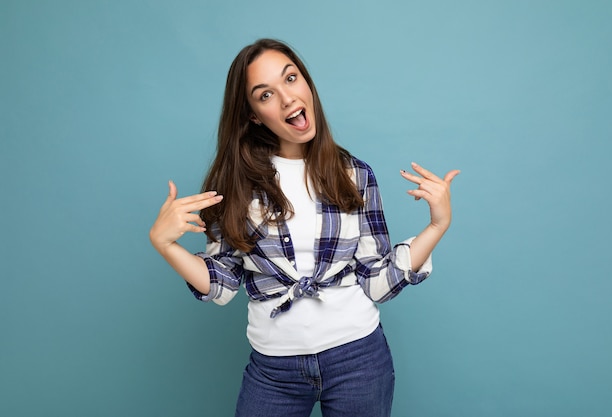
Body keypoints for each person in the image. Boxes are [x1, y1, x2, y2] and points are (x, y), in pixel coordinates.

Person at [149, 38, 459, 417]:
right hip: (274, 371)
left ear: (307, 84)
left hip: (358, 358)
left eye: (291, 78)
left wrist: (437, 225)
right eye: (265, 95)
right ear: (252, 115)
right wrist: (166, 245)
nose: (286, 98)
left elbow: (377, 282)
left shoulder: (354, 175)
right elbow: (222, 285)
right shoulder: (235, 186)